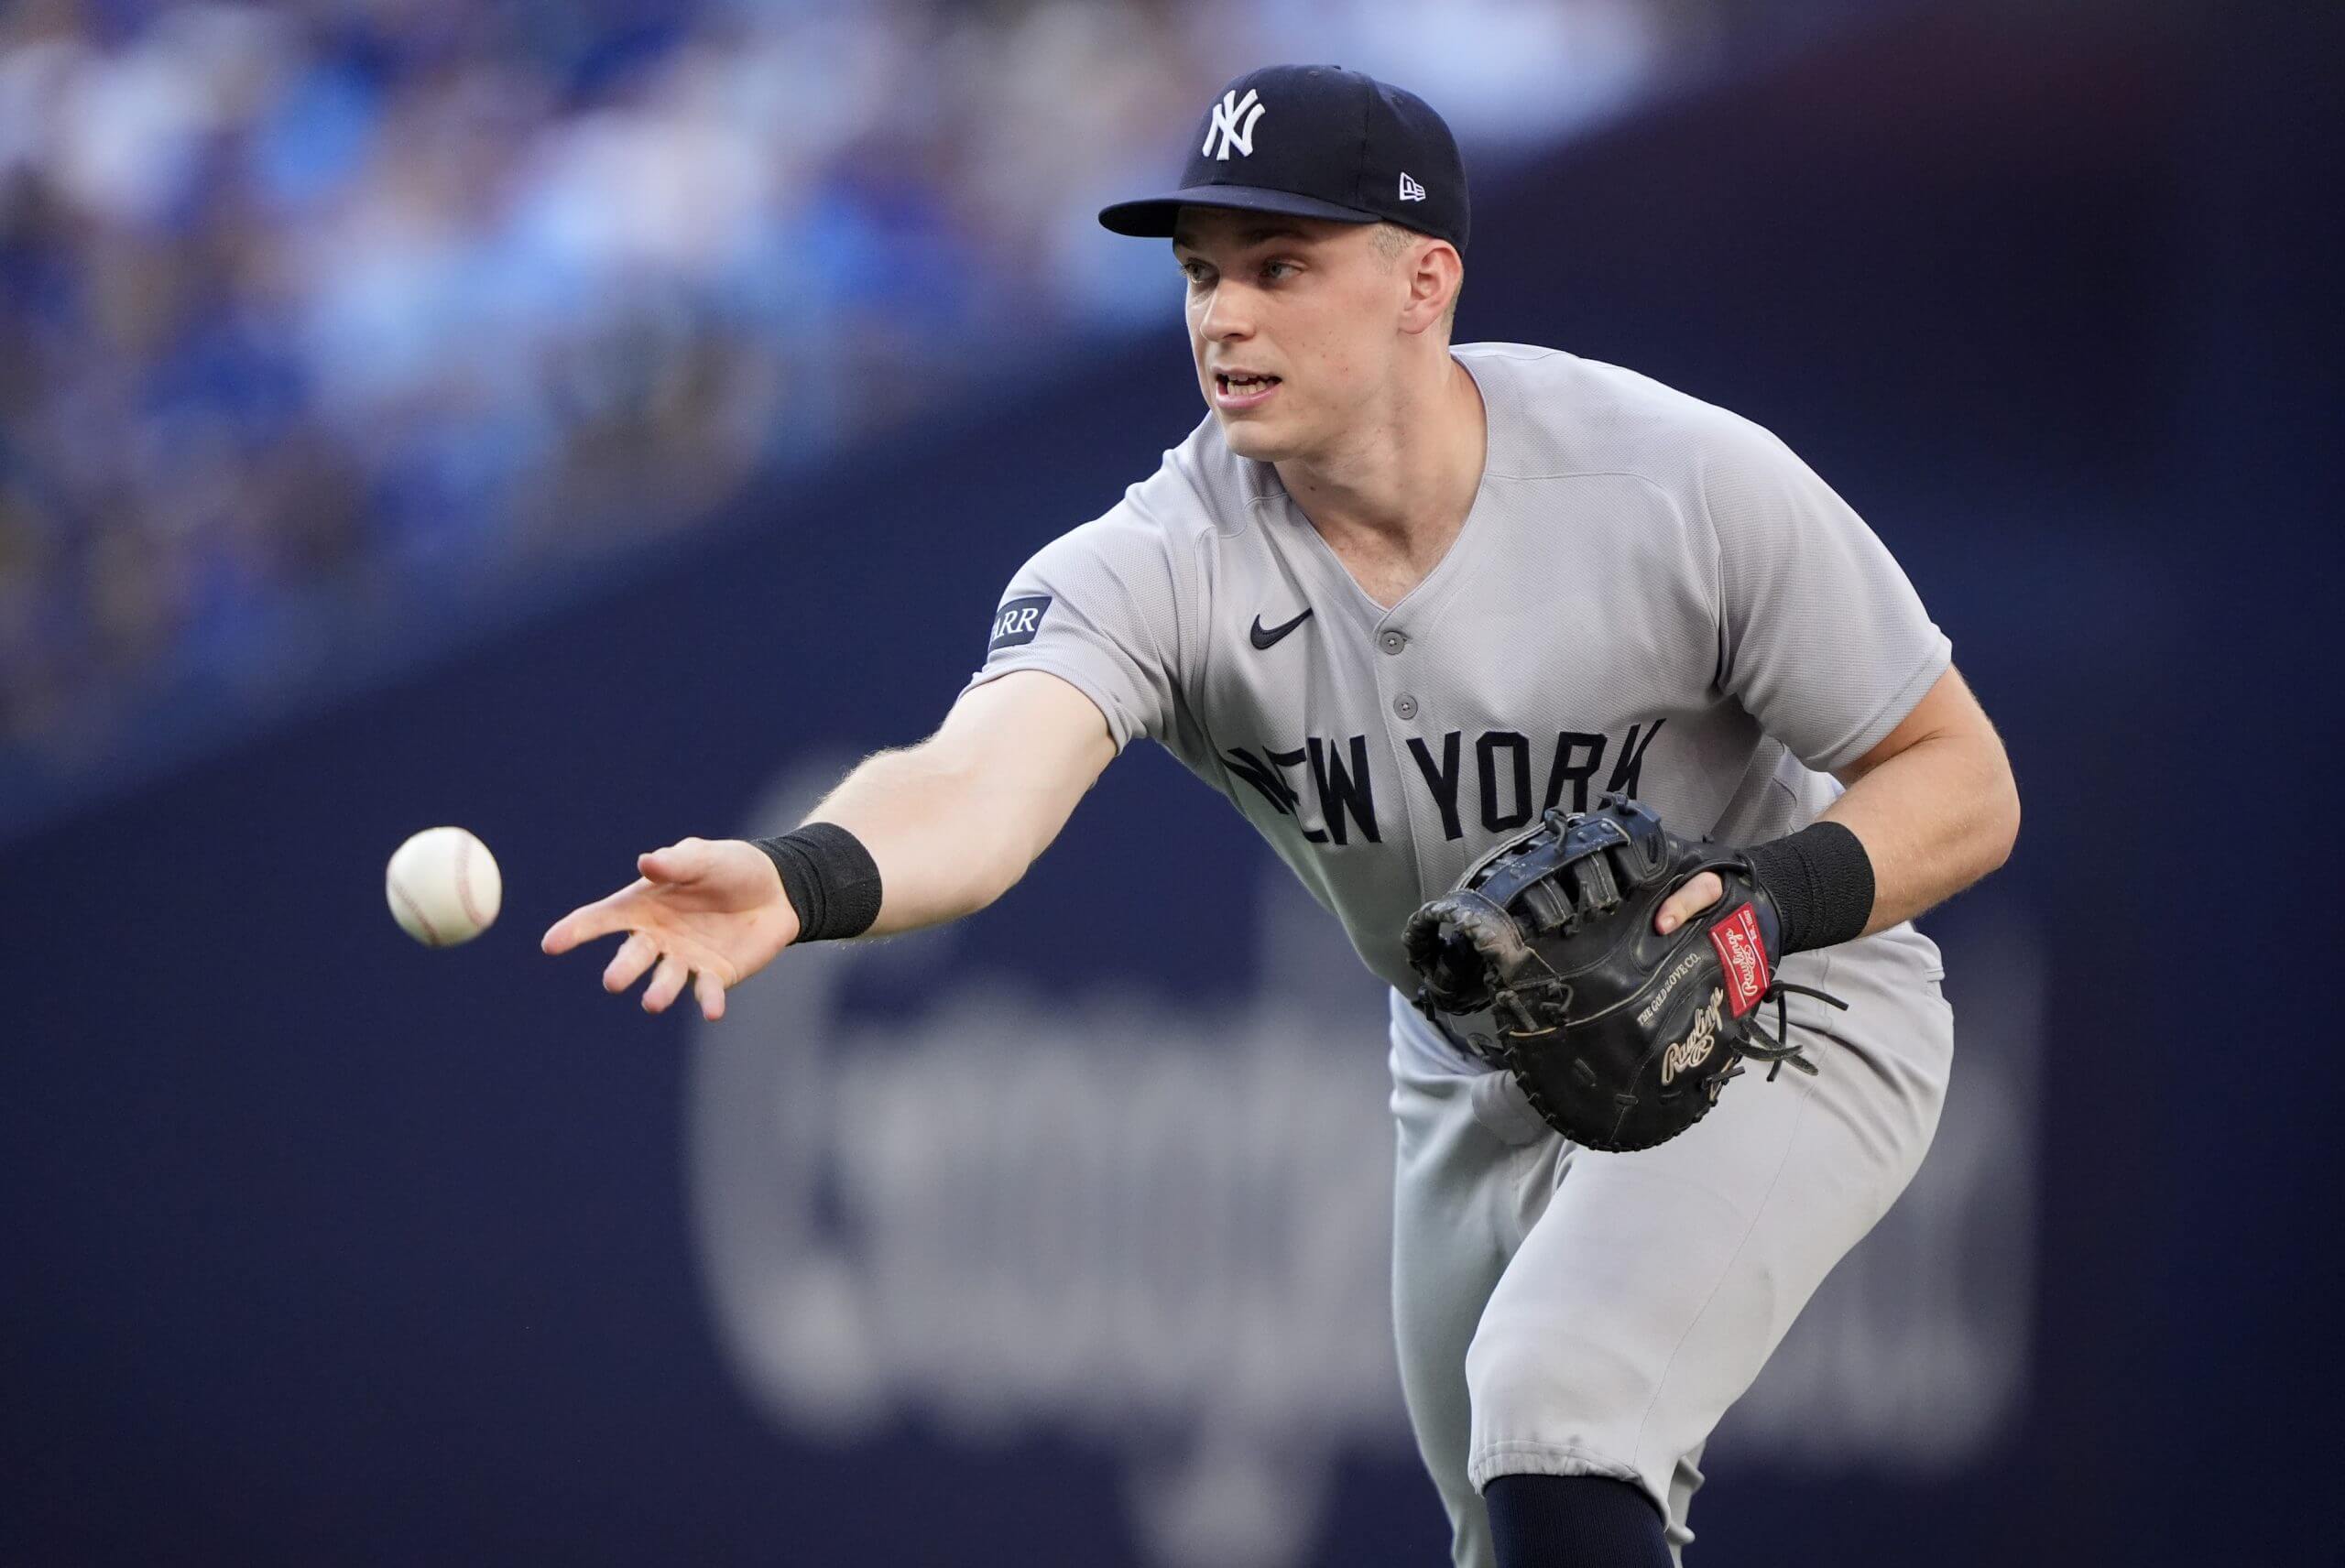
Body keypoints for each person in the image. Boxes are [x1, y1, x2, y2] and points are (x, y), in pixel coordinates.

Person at [542, 64, 2019, 1568]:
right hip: (1471, 1055)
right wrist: (803, 877)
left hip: (1793, 998)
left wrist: (1758, 906)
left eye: (1280, 266)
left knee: (1559, 1405)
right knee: (1507, 1522)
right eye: (1199, 273)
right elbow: (975, 781)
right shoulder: (1164, 558)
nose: (1222, 316)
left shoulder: (1673, 480)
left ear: (1423, 281)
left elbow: (1962, 779)